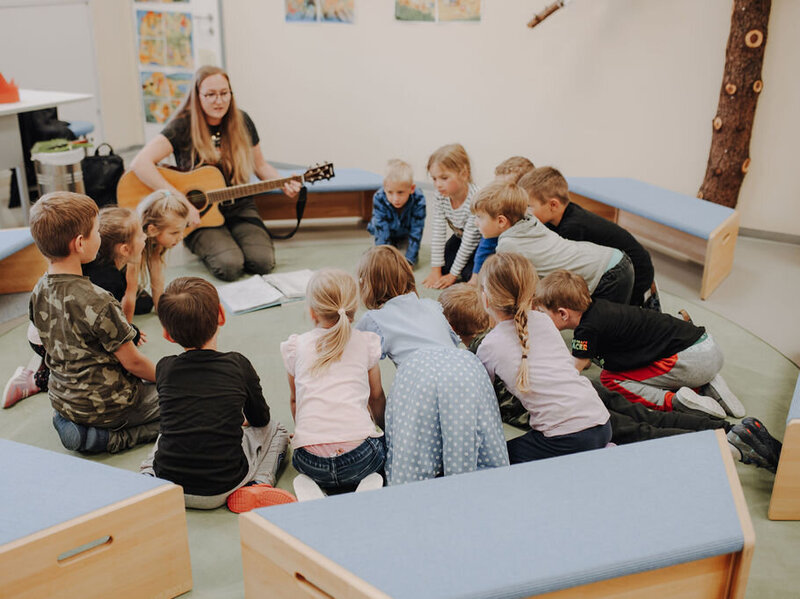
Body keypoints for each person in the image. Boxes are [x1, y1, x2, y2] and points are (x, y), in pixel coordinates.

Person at [439, 282, 781, 471]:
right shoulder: (526, 323)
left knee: (641, 430)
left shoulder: (481, 351)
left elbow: (486, 403)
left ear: (455, 328)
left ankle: (724, 437)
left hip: (570, 416)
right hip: (583, 387)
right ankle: (729, 428)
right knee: (646, 416)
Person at [130, 65, 301, 282]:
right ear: (197, 96)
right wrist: (182, 201)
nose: (218, 101)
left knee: (262, 263)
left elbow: (261, 166)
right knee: (230, 266)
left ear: (231, 94)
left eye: (224, 93)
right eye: (210, 95)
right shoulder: (183, 125)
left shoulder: (242, 121)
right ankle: (208, 243)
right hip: (198, 215)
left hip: (240, 207)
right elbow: (140, 163)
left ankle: (231, 237)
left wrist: (282, 182)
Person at [355, 245, 508, 485]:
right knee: (462, 420)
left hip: (420, 369)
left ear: (368, 284)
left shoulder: (373, 319)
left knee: (417, 436)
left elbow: (364, 381)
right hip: (465, 364)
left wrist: (389, 428)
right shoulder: (433, 306)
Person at [140, 277, 293, 512]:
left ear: (167, 334)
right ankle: (258, 483)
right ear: (221, 315)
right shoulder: (238, 365)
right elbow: (261, 419)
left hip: (169, 483)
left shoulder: (164, 367)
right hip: (225, 485)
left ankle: (147, 481)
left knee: (165, 435)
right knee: (277, 429)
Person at [28, 192, 160, 453]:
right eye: (97, 232)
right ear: (79, 243)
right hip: (111, 405)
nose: (100, 237)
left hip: (64, 400)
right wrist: (172, 377)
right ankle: (108, 438)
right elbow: (134, 362)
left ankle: (74, 425)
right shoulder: (98, 300)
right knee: (190, 402)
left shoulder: (38, 289)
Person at [535, 269, 747, 419]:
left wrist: (542, 386)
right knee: (629, 367)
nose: (539, 317)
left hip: (692, 361)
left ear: (563, 313)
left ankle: (677, 401)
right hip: (708, 347)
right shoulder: (601, 309)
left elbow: (573, 370)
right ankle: (710, 383)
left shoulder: (587, 330)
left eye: (543, 313)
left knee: (610, 379)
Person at [3, 206, 149, 408]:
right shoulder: (108, 282)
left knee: (143, 305)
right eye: (141, 235)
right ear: (124, 249)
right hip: (51, 341)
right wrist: (130, 330)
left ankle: (44, 364)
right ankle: (35, 380)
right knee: (97, 368)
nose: (146, 238)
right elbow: (116, 331)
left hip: (44, 333)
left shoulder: (86, 265)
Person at [476, 252, 612, 463]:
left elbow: (480, 400)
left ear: (485, 299)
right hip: (602, 421)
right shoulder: (544, 320)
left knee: (492, 459)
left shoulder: (489, 346)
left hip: (568, 438)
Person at [281, 269, 386, 500]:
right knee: (383, 448)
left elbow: (295, 399)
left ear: (311, 312)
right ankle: (365, 482)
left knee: (302, 455)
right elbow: (376, 397)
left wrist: (307, 434)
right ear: (353, 309)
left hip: (310, 459)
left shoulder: (296, 346)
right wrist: (384, 433)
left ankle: (316, 485)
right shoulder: (366, 343)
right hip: (360, 457)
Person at [471, 180, 635, 304]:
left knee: (600, 336)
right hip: (613, 260)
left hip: (608, 274)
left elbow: (518, 291)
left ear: (501, 221)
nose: (475, 223)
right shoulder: (528, 221)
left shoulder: (509, 245)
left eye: (479, 217)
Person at [520, 166, 658, 309]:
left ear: (553, 205)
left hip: (637, 271)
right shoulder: (558, 217)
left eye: (529, 207)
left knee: (612, 317)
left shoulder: (573, 227)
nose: (525, 212)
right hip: (629, 266)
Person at [422, 143, 481, 289]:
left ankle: (467, 267)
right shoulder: (440, 196)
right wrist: (435, 270)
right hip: (460, 237)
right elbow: (438, 231)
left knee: (468, 274)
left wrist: (453, 275)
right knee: (443, 265)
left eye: (444, 178)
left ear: (464, 174)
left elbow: (470, 241)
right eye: (434, 179)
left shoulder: (476, 197)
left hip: (480, 243)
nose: (438, 184)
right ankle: (460, 266)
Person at [470, 156, 536, 284]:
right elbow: (485, 246)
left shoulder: (532, 218)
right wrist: (474, 279)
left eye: (503, 187)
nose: (497, 190)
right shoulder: (494, 216)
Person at [366, 159, 426, 267]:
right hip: (382, 233)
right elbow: (381, 232)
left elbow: (417, 231)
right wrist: (386, 259)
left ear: (412, 188)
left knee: (404, 261)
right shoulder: (379, 197)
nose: (395, 199)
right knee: (378, 262)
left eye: (400, 192)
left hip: (404, 235)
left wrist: (409, 261)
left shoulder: (419, 199)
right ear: (385, 187)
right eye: (390, 192)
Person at [137, 189, 190, 309]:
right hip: (107, 279)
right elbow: (130, 290)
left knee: (145, 304)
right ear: (152, 230)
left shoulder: (155, 242)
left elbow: (157, 278)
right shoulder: (136, 246)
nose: (181, 237)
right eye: (175, 232)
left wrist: (161, 310)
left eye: (182, 230)